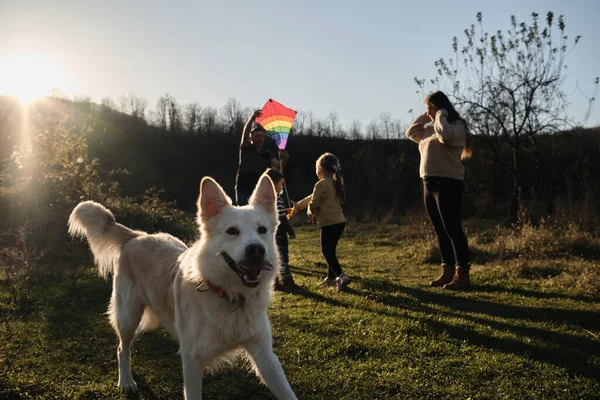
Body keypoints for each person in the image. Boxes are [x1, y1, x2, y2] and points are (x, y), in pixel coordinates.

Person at [406, 90, 473, 290]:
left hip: (449, 182)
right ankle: (447, 271)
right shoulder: (429, 130)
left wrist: (440, 115)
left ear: (443, 108)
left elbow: (444, 137)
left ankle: (463, 274)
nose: (429, 113)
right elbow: (411, 133)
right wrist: (426, 113)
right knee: (440, 230)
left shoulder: (456, 126)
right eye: (427, 109)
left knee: (453, 229)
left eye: (431, 108)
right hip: (428, 182)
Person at [289, 152, 350, 291]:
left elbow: (314, 203)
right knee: (330, 250)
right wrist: (298, 205)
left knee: (327, 252)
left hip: (329, 223)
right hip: (339, 222)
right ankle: (330, 278)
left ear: (321, 169)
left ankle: (341, 275)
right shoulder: (334, 183)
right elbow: (312, 197)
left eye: (316, 168)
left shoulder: (321, 183)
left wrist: (310, 212)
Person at [235, 109, 289, 206]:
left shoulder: (267, 154)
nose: (260, 138)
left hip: (259, 190)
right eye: (257, 136)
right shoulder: (246, 148)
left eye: (262, 136)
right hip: (244, 188)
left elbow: (278, 167)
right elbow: (245, 135)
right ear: (251, 139)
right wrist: (252, 119)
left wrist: (285, 158)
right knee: (244, 215)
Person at [265, 168, 297, 291]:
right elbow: (281, 219)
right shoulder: (277, 198)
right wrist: (290, 231)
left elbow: (276, 213)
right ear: (273, 183)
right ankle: (287, 281)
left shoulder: (267, 200)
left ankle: (274, 283)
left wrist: (284, 210)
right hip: (280, 234)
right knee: (283, 257)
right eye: (281, 183)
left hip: (270, 234)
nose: (282, 186)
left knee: (272, 257)